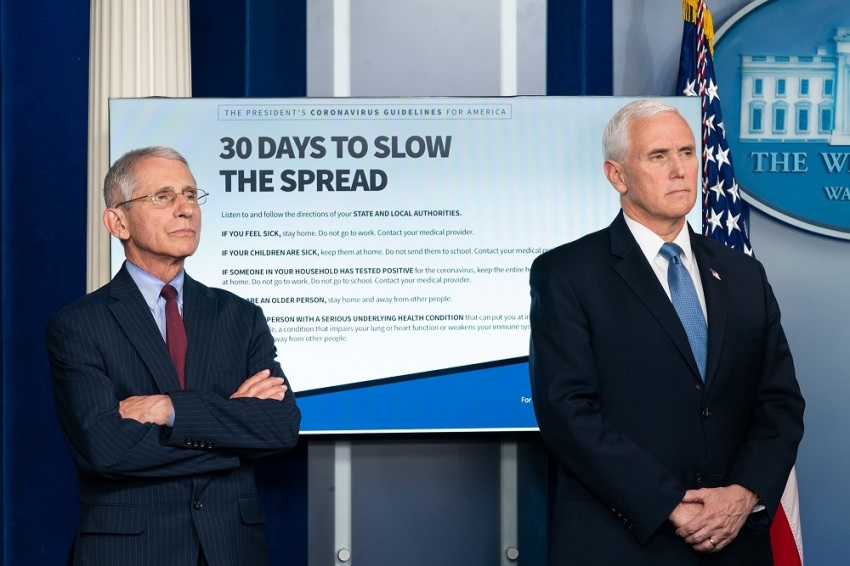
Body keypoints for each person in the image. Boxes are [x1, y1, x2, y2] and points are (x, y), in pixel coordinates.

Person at [529, 99, 804, 565]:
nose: (680, 170)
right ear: (616, 175)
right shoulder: (568, 273)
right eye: (658, 156)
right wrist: (671, 506)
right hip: (624, 542)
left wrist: (743, 493)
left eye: (687, 152)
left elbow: (779, 401)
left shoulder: (742, 275)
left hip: (735, 541)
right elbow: (567, 412)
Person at [46, 146, 301, 565]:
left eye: (191, 194)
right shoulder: (78, 325)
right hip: (129, 553)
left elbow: (280, 427)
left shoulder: (240, 315)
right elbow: (105, 449)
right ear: (118, 221)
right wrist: (232, 434)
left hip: (232, 551)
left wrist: (169, 409)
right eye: (163, 196)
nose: (185, 209)